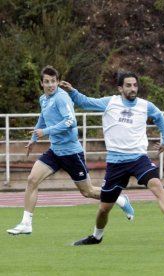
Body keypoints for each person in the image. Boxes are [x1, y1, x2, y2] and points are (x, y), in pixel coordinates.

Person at [59, 72, 164, 245]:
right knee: (104, 209)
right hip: (116, 163)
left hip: (138, 158)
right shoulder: (110, 102)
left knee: (156, 184)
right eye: (128, 85)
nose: (133, 88)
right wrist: (73, 91)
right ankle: (96, 236)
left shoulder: (145, 105)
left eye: (135, 85)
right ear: (120, 88)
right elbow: (85, 102)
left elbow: (159, 117)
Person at [7, 66, 134, 235]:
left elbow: (70, 122)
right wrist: (34, 139)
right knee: (32, 180)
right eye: (47, 82)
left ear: (58, 82)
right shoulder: (43, 99)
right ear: (41, 83)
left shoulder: (62, 98)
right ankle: (26, 224)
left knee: (87, 192)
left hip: (71, 152)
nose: (50, 85)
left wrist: (45, 132)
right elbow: (43, 117)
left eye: (53, 81)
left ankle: (119, 198)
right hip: (55, 151)